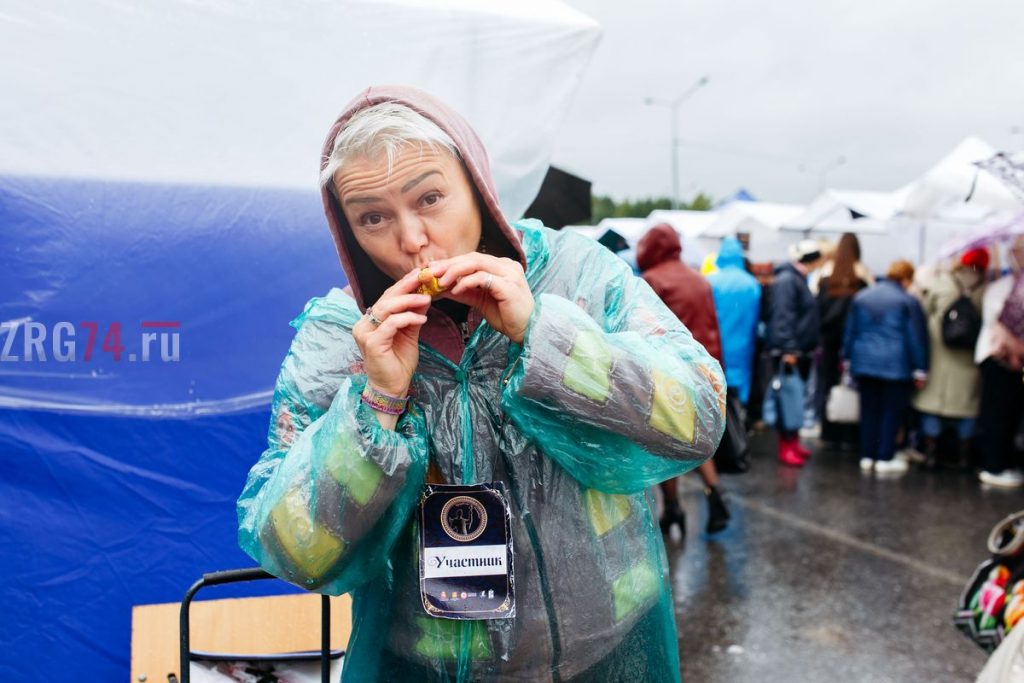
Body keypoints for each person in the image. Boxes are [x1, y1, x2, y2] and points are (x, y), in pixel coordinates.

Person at [235, 87, 726, 682]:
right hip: (426, 665)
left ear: (477, 184)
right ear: (346, 228)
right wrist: (378, 403)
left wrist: (543, 335)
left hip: (610, 646)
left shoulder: (575, 273)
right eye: (373, 217)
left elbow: (698, 415)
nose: (412, 239)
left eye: (431, 197)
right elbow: (295, 550)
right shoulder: (342, 340)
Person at [637, 224, 732, 536]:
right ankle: (714, 494)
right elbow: (712, 329)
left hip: (668, 374)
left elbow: (646, 330)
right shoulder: (699, 279)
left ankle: (674, 506)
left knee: (663, 440)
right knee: (694, 437)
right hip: (703, 373)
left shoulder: (652, 280)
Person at [843, 260, 929, 475]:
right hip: (895, 364)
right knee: (891, 412)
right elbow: (916, 338)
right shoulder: (908, 301)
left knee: (868, 409)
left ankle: (867, 454)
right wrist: (920, 368)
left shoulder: (862, 296)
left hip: (863, 361)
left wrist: (847, 359)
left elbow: (850, 331)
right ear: (906, 279)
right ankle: (884, 455)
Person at [912, 248, 988, 469]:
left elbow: (923, 314)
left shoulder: (942, 283)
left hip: (938, 357)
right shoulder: (986, 289)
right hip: (969, 361)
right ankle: (964, 457)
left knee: (932, 406)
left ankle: (931, 454)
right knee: (967, 408)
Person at [766, 239, 822, 467]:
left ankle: (793, 442)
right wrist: (789, 348)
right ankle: (786, 446)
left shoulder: (794, 278)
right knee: (788, 399)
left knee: (795, 399)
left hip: (799, 351)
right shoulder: (789, 280)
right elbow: (783, 316)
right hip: (791, 352)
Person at [815, 233, 870, 450]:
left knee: (828, 384)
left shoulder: (826, 276)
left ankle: (829, 430)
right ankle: (850, 433)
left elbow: (818, 310)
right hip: (854, 341)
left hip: (828, 340)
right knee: (852, 385)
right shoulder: (862, 276)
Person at [975, 240, 1024, 487]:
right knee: (1000, 414)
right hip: (1000, 360)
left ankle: (999, 463)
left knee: (1004, 413)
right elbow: (1002, 329)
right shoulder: (1009, 289)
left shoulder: (1003, 286)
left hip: (998, 360)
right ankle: (995, 466)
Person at [707, 237, 762, 406]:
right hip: (743, 345)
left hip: (715, 346)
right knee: (739, 393)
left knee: (715, 393)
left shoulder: (710, 281)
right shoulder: (751, 283)